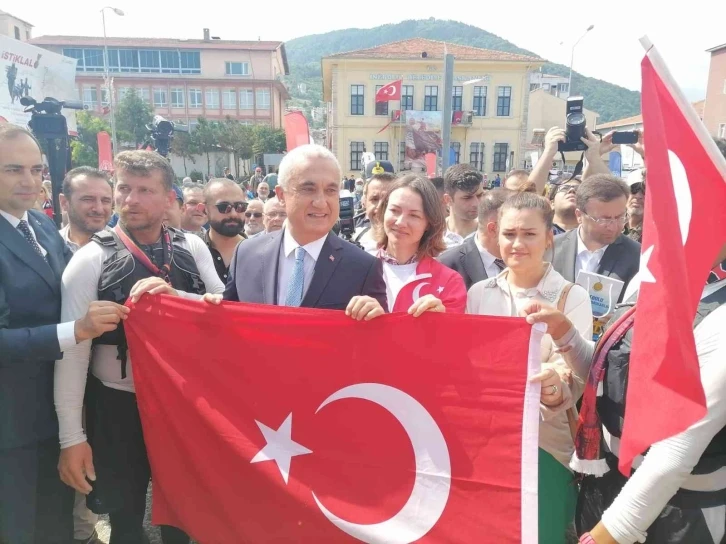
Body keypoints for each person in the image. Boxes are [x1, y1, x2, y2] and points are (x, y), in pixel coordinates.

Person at [55, 151, 225, 544]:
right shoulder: (90, 260)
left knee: (183, 517)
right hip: (117, 406)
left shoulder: (193, 249)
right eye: (124, 188)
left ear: (169, 199)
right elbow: (73, 356)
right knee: (126, 519)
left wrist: (178, 297)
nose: (131, 199)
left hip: (183, 406)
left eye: (145, 190)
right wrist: (72, 438)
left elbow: (226, 314)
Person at [522, 242, 726, 544]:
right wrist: (565, 334)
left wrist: (608, 536)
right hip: (607, 481)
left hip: (679, 507)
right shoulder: (653, 269)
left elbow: (677, 452)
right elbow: (613, 371)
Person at [0, 125, 127, 544]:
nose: (29, 180)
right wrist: (77, 330)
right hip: (9, 426)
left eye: (36, 169)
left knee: (55, 528)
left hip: (52, 418)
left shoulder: (36, 225)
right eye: (13, 169)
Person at [467, 191, 593, 543]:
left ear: (549, 237)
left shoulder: (572, 296)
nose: (517, 243)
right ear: (495, 234)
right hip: (487, 440)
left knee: (543, 532)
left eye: (529, 234)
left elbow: (579, 373)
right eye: (509, 234)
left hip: (545, 440)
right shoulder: (478, 293)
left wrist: (555, 383)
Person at [216, 144, 387, 320]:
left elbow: (378, 342)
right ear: (281, 196)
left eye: (330, 190)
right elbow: (228, 326)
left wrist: (378, 322)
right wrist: (210, 310)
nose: (321, 202)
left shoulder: (363, 268)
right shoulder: (246, 254)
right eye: (308, 189)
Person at [372, 174, 467, 314]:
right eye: (394, 210)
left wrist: (442, 320)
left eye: (414, 215)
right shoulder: (358, 270)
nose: (400, 222)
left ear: (429, 223)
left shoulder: (449, 282)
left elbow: (454, 334)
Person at [552, 174, 641, 302]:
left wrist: (616, 315)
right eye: (603, 219)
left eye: (620, 217)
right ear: (579, 215)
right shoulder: (549, 249)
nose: (613, 227)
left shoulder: (637, 256)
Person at [439, 188, 509, 290]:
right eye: (512, 230)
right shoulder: (447, 265)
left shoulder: (528, 259)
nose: (520, 241)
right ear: (493, 229)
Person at [59, 167, 114, 253]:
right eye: (88, 199)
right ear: (64, 203)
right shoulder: (49, 247)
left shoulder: (126, 250)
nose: (99, 209)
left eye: (105, 201)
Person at [203, 178, 248, 284]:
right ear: (205, 210)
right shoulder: (192, 253)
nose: (233, 214)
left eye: (240, 207)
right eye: (223, 207)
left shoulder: (260, 254)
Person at [353, 172, 396, 253]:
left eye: (387, 200)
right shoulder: (351, 240)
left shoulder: (412, 249)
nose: (379, 207)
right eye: (375, 199)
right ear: (365, 202)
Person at [442, 164, 484, 248]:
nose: (476, 203)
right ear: (448, 200)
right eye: (467, 198)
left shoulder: (491, 234)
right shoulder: (433, 237)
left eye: (479, 195)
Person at [623, 169, 645, 243]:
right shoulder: (612, 223)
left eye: (644, 191)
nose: (638, 196)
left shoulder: (653, 233)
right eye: (634, 189)